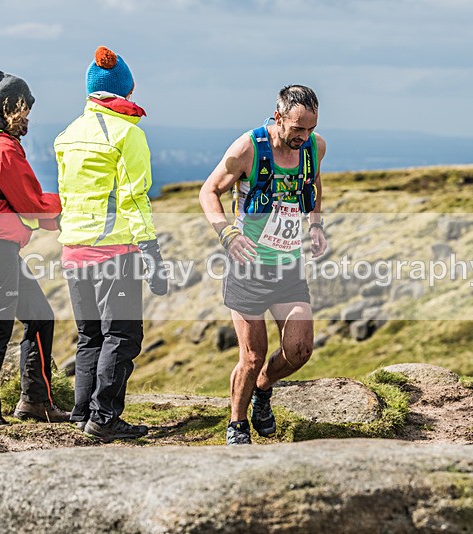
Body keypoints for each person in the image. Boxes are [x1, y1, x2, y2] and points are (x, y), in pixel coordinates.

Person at [199, 85, 327, 445]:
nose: (304, 137)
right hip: (248, 268)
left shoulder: (314, 148)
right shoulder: (249, 149)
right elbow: (209, 191)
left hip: (288, 267)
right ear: (278, 118)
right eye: (297, 129)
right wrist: (227, 234)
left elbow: (314, 183)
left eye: (311, 128)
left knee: (299, 350)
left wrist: (315, 223)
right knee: (252, 356)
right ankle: (236, 425)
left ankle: (263, 390)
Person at [55, 46, 169, 442]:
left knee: (91, 336)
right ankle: (104, 418)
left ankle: (82, 411)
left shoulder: (67, 136)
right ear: (123, 91)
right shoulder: (127, 134)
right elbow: (134, 197)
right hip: (114, 252)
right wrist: (151, 252)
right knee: (122, 335)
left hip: (73, 250)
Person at [0, 70, 70, 424]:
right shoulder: (2, 146)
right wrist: (70, 205)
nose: (28, 119)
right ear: (11, 107)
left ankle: (35, 403)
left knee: (40, 316)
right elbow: (30, 202)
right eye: (25, 111)